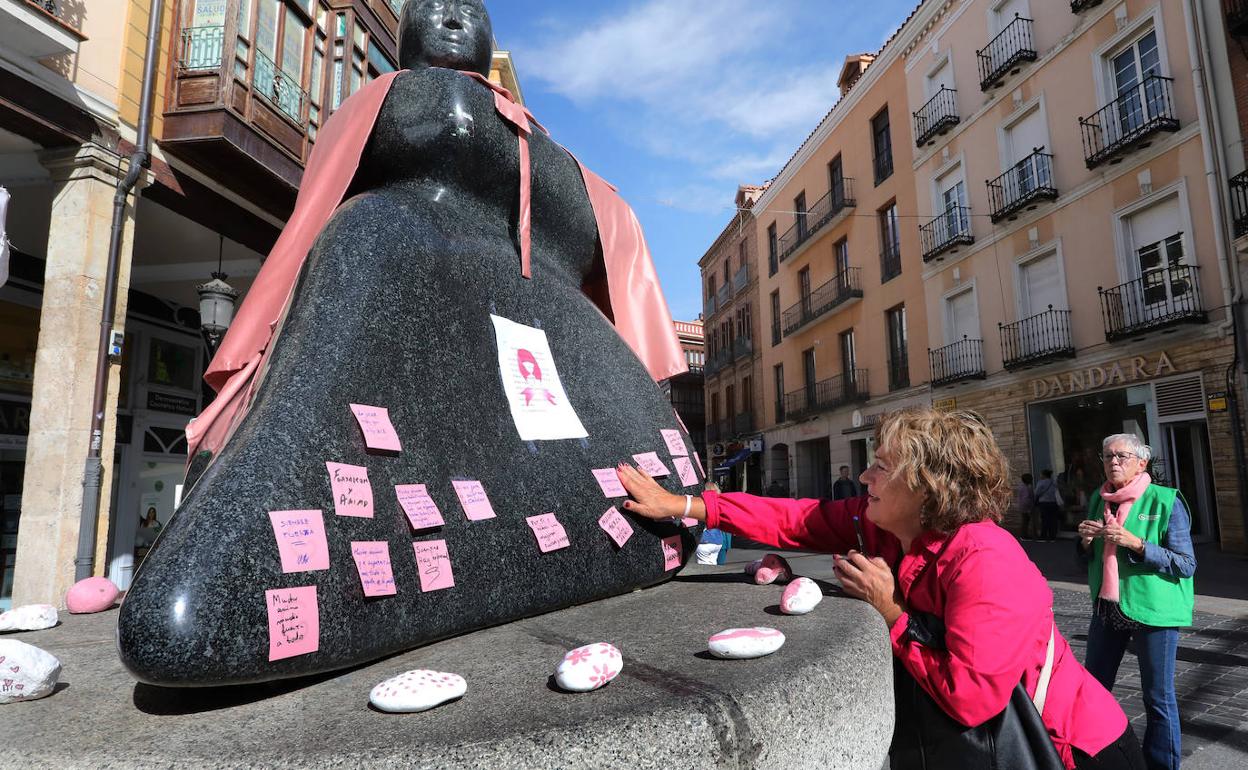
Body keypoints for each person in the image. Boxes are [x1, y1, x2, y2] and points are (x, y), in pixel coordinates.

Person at [616, 408, 1143, 770]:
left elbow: (971, 698)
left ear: (926, 487)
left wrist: (891, 611)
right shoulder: (885, 526)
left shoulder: (987, 558)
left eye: (881, 467)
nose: (864, 478)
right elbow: (801, 519)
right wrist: (685, 506)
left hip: (1071, 749)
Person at [1077, 434, 1195, 770]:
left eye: (1122, 456)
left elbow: (1186, 564)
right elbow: (1085, 561)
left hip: (1153, 612)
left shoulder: (1165, 500)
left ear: (1142, 462)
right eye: (1107, 456)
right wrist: (1084, 544)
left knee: (1157, 698)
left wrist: (1138, 544)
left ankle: (1161, 764)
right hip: (1107, 608)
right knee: (1094, 690)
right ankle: (1093, 758)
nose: (1113, 462)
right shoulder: (1098, 501)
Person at [1036, 468, 1063, 540]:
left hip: (1044, 503)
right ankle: (1052, 536)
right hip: (1053, 503)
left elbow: (1037, 493)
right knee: (1053, 519)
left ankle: (1043, 535)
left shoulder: (1041, 483)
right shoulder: (1053, 482)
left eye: (1041, 474)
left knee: (1045, 519)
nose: (1040, 475)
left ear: (1044, 475)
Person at [1015, 472, 1036, 539]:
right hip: (1026, 507)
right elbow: (1026, 499)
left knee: (1025, 521)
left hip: (1023, 506)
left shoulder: (1022, 486)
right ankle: (1024, 535)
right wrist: (1028, 509)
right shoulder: (1026, 488)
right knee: (1025, 521)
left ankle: (1024, 535)